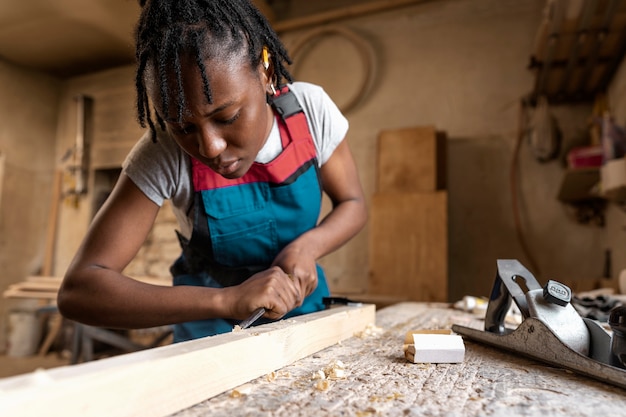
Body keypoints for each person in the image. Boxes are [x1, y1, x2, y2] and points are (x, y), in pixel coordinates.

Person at [57, 0, 367, 342]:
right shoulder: (163, 152)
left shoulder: (309, 111)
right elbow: (79, 290)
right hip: (210, 336)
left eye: (226, 117)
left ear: (266, 73)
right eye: (183, 128)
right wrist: (227, 300)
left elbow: (353, 203)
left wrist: (308, 247)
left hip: (303, 318)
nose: (210, 147)